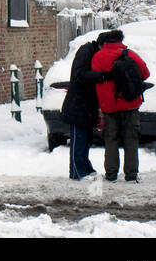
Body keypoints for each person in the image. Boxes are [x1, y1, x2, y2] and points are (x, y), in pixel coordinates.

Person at [91, 29, 150, 183]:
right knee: (131, 139)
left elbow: (94, 77)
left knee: (111, 139)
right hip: (130, 103)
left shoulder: (98, 56)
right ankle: (131, 175)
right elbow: (145, 73)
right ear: (120, 40)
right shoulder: (130, 54)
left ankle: (111, 174)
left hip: (108, 106)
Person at [59, 36, 109, 180]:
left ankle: (85, 167)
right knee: (79, 139)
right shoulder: (86, 51)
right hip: (78, 104)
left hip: (86, 103)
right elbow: (79, 75)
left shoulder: (91, 52)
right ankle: (77, 171)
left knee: (86, 139)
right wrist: (100, 76)